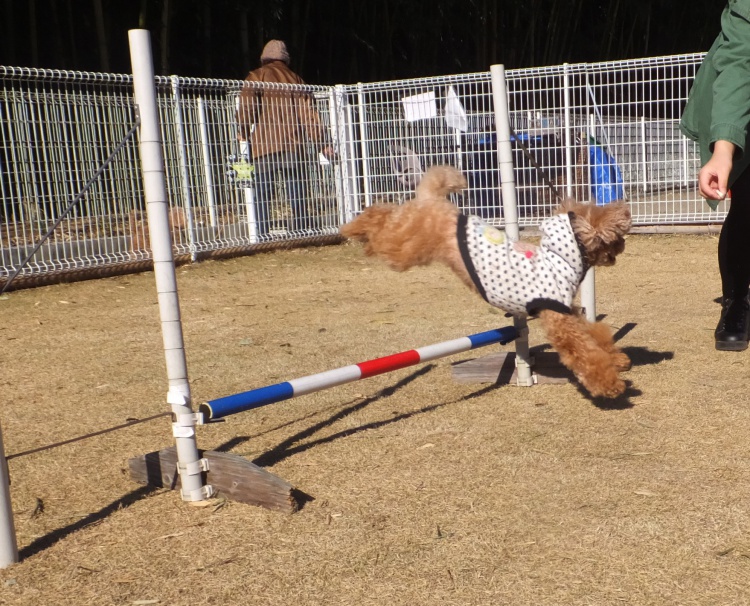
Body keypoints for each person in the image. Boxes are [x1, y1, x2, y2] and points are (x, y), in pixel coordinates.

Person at [680, 0, 750, 351]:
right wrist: (723, 149)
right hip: (741, 106)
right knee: (748, 204)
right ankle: (737, 301)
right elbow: (739, 67)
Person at [236, 40, 333, 236]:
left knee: (262, 193)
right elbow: (309, 115)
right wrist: (322, 143)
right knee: (297, 191)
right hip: (293, 145)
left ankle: (261, 233)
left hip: (263, 145)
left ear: (264, 57)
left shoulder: (256, 76)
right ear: (286, 59)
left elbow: (246, 110)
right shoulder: (297, 80)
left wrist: (243, 131)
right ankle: (301, 230)